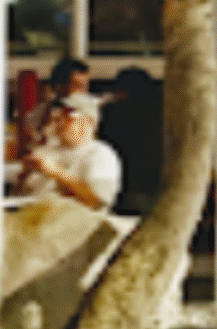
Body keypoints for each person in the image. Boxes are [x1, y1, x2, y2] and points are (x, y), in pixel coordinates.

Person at [21, 93, 121, 212]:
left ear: (88, 122)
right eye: (58, 118)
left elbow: (95, 203)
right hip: (31, 217)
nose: (60, 123)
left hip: (73, 224)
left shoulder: (101, 154)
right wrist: (25, 173)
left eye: (68, 117)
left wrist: (55, 172)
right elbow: (20, 194)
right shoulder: (45, 151)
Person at [98, 67, 164, 217]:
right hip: (160, 186)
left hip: (129, 186)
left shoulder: (115, 112)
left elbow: (106, 145)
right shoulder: (164, 112)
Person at [27, 56, 91, 151]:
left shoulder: (89, 112)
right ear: (59, 87)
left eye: (85, 86)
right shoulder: (41, 112)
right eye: (78, 86)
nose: (84, 91)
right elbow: (33, 140)